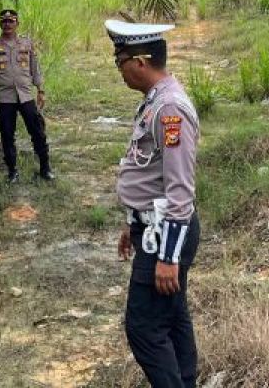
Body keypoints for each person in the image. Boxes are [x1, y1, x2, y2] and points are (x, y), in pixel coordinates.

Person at [108, 19, 201, 388]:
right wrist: (134, 223)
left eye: (121, 62)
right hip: (151, 228)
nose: (120, 71)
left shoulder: (170, 110)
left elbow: (180, 192)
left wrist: (168, 257)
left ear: (140, 62)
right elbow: (150, 175)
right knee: (173, 316)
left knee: (144, 327)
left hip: (166, 235)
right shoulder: (156, 102)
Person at [0, 8, 53, 183]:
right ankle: (12, 172)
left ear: (17, 24)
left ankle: (45, 168)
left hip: (26, 95)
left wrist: (41, 90)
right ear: (0, 24)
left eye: (11, 21)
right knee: (7, 135)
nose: (7, 24)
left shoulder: (26, 44)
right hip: (5, 98)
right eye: (4, 21)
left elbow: (35, 68)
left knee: (37, 132)